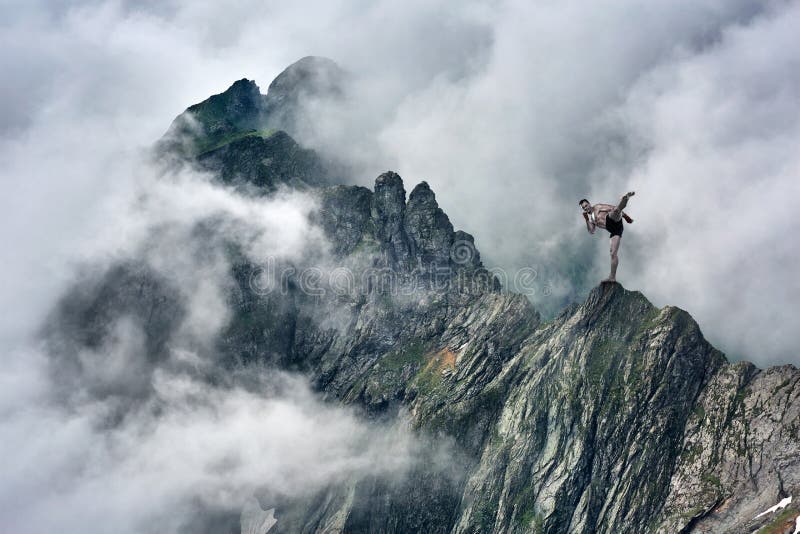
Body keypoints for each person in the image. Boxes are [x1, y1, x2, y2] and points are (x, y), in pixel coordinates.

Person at [579, 192, 635, 283]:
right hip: (615, 230)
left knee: (616, 211)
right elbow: (592, 231)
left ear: (589, 204)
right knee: (613, 253)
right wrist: (586, 219)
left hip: (611, 220)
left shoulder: (598, 207)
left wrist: (626, 217)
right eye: (583, 207)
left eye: (586, 205)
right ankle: (612, 277)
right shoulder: (591, 219)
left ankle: (626, 198)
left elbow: (612, 208)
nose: (586, 208)